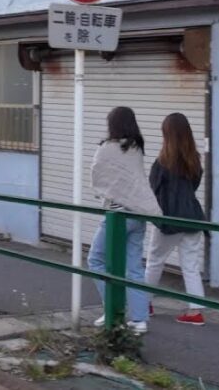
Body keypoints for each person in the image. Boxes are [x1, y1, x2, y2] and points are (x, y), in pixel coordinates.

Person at [86, 106, 161, 333]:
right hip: (138, 215)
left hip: (117, 216)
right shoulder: (137, 147)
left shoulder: (107, 148)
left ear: (113, 124)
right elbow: (131, 181)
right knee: (134, 268)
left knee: (95, 260)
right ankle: (140, 320)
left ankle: (113, 310)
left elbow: (99, 175)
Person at [144, 112, 208, 326]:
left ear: (167, 135)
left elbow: (152, 189)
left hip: (169, 219)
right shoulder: (194, 159)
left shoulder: (162, 161)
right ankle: (195, 311)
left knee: (154, 261)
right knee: (190, 265)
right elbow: (195, 186)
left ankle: (144, 303)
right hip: (193, 217)